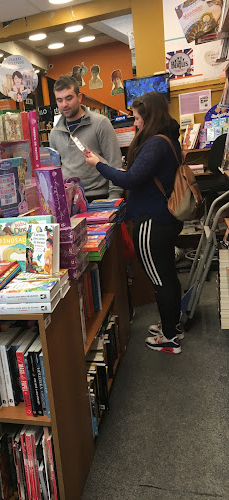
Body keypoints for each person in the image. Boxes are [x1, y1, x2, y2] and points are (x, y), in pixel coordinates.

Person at [85, 91, 184, 354]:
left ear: (149, 117)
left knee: (159, 278)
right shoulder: (169, 139)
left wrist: (97, 164)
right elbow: (137, 175)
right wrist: (108, 165)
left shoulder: (155, 144)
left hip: (152, 221)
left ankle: (170, 337)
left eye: (138, 118)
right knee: (168, 275)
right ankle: (172, 325)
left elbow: (130, 180)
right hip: (165, 218)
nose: (135, 124)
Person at [50, 75, 123, 202]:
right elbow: (55, 170)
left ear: (79, 97)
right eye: (60, 100)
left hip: (99, 198)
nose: (64, 104)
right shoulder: (55, 133)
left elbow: (115, 163)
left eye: (69, 98)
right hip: (69, 201)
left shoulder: (101, 123)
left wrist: (114, 200)